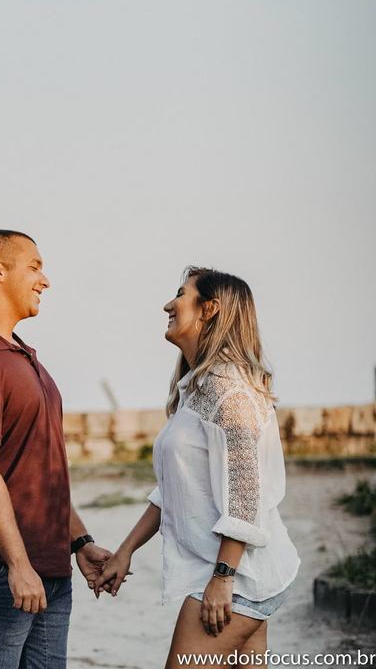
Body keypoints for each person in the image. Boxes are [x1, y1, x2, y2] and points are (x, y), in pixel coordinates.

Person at [95, 267, 300, 667]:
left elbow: (244, 499)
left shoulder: (231, 393)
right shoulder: (199, 390)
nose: (168, 304)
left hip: (240, 578)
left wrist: (223, 579)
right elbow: (173, 489)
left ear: (210, 309)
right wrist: (125, 552)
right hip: (234, 574)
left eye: (180, 294)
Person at [0, 229, 112, 669]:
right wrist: (17, 564)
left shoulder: (23, 358)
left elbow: (40, 469)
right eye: (34, 266)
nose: (44, 280)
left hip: (48, 571)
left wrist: (80, 541)